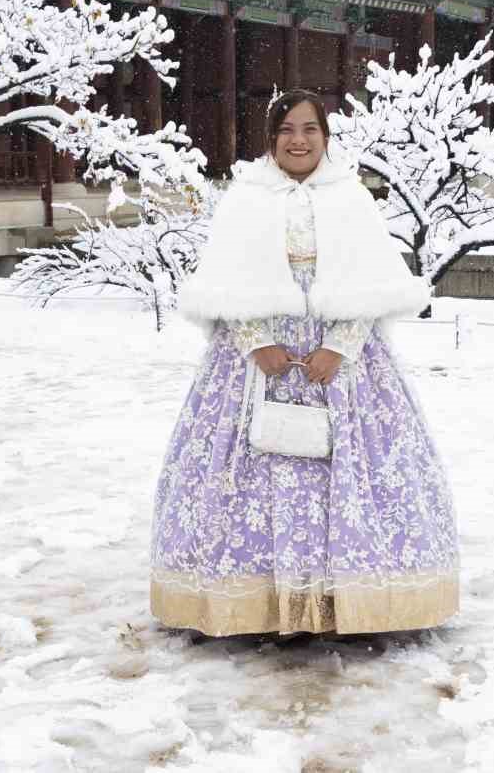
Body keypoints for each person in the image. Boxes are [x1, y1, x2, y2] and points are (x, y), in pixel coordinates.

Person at [151, 91, 459, 637]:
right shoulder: (245, 197)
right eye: (287, 129)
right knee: (251, 471)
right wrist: (255, 342)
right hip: (256, 361)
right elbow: (223, 281)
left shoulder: (351, 198)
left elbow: (372, 284)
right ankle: (256, 604)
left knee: (344, 468)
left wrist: (339, 345)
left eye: (310, 129)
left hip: (343, 362)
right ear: (271, 138)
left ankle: (346, 601)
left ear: (326, 136)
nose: (298, 140)